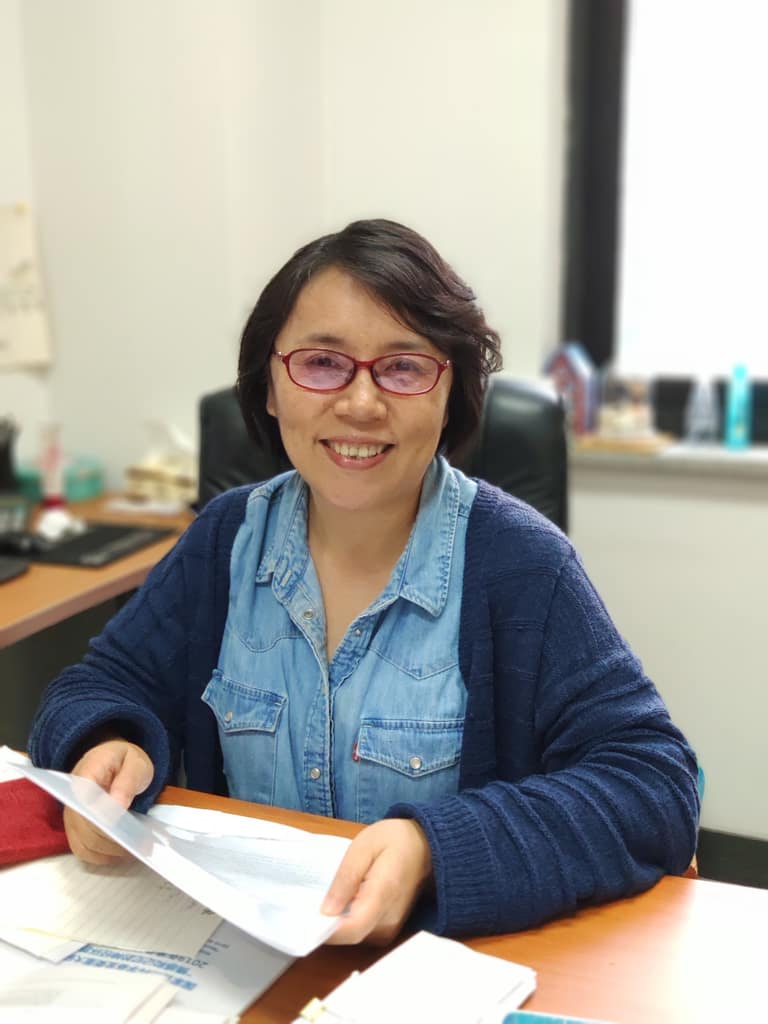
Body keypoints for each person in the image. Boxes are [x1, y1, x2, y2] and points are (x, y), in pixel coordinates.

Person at [29, 218, 700, 947]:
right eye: (322, 363)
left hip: (436, 967)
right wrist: (108, 741)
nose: (360, 403)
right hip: (246, 958)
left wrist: (436, 851)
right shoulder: (226, 539)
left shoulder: (523, 564)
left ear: (450, 390)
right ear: (269, 387)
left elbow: (654, 785)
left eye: (403, 367)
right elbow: (98, 685)